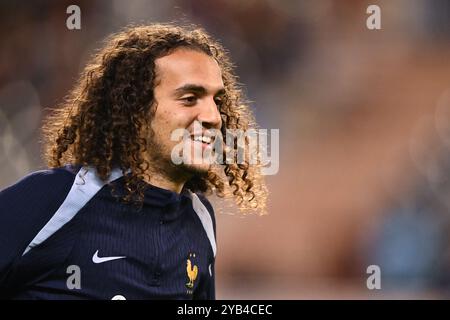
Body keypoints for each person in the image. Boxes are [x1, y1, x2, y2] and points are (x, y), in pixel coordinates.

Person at [0, 24, 267, 299]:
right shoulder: (59, 199)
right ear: (136, 110)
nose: (214, 116)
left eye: (217, 100)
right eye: (189, 99)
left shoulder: (199, 222)